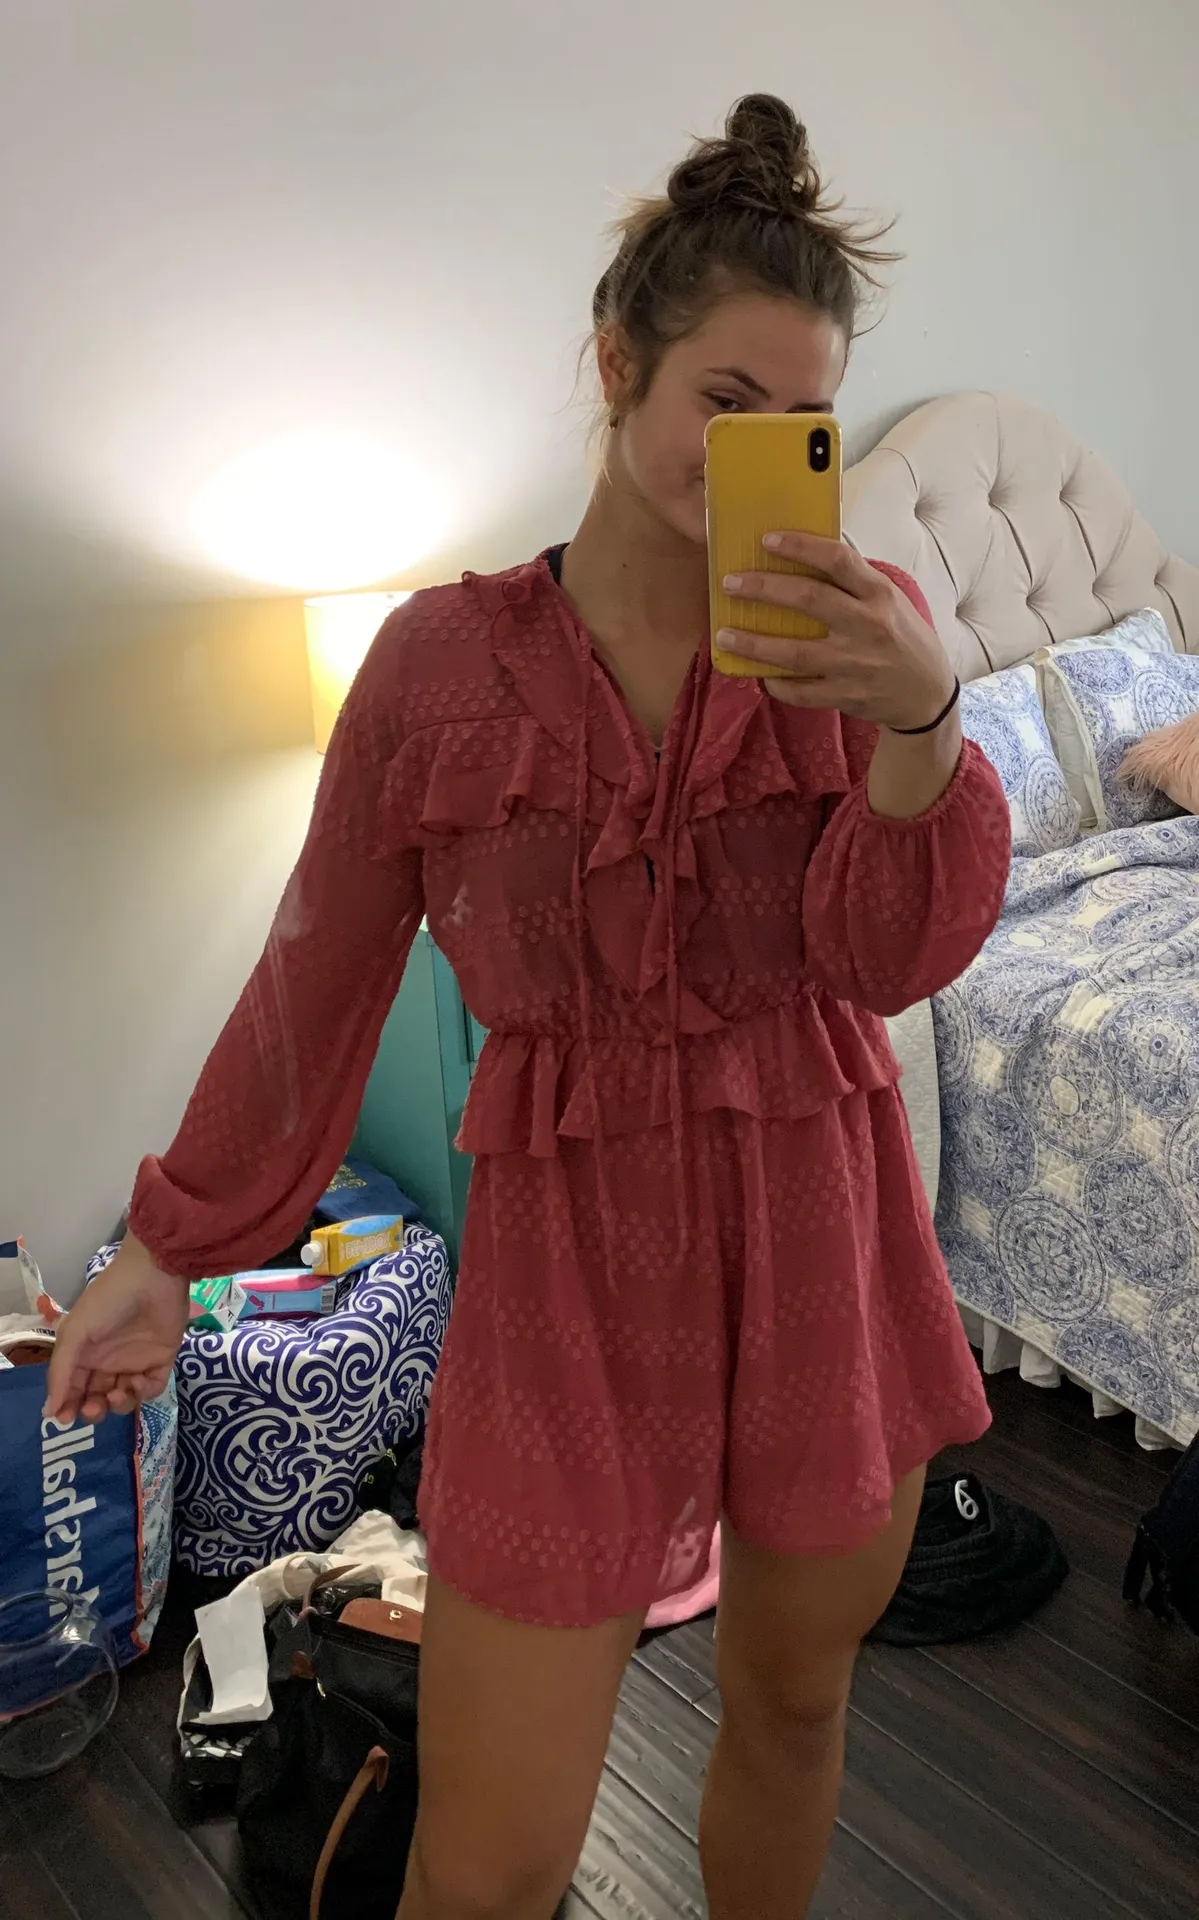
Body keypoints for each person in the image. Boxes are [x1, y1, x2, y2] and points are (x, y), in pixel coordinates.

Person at [47, 93, 1010, 1920]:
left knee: (794, 1708)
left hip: (819, 1223)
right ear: (615, 363)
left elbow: (891, 958)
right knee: (489, 1862)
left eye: (802, 425)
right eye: (726, 404)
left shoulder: (860, 631)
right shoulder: (441, 668)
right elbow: (314, 978)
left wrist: (920, 717)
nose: (758, 456)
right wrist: (172, 1243)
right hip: (565, 1273)